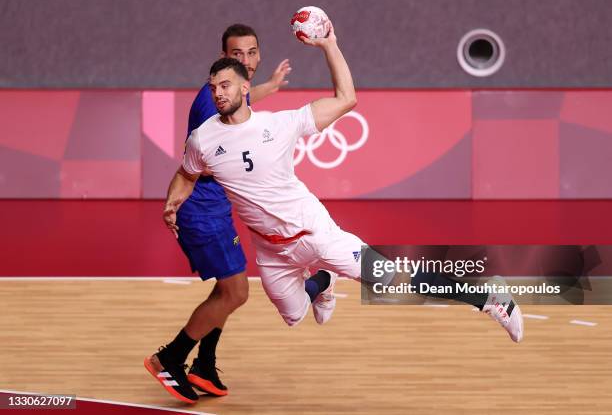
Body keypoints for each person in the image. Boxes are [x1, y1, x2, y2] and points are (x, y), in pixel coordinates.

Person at [161, 23, 524, 401]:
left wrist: (329, 45)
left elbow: (346, 98)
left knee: (392, 280)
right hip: (272, 251)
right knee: (294, 314)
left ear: (245, 88)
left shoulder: (280, 124)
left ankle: (490, 299)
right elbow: (186, 174)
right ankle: (322, 282)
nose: (218, 93)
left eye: (226, 86)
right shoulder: (203, 138)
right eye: (214, 86)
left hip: (315, 232)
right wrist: (173, 202)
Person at [144, 24, 333, 404]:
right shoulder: (212, 100)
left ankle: (205, 364)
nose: (244, 60)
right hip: (202, 210)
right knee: (236, 291)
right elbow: (192, 160)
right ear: (223, 59)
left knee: (227, 290)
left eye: (250, 53)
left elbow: (247, 97)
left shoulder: (235, 94)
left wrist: (272, 87)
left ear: (258, 57)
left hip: (219, 209)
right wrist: (175, 201)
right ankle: (171, 357)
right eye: (236, 55)